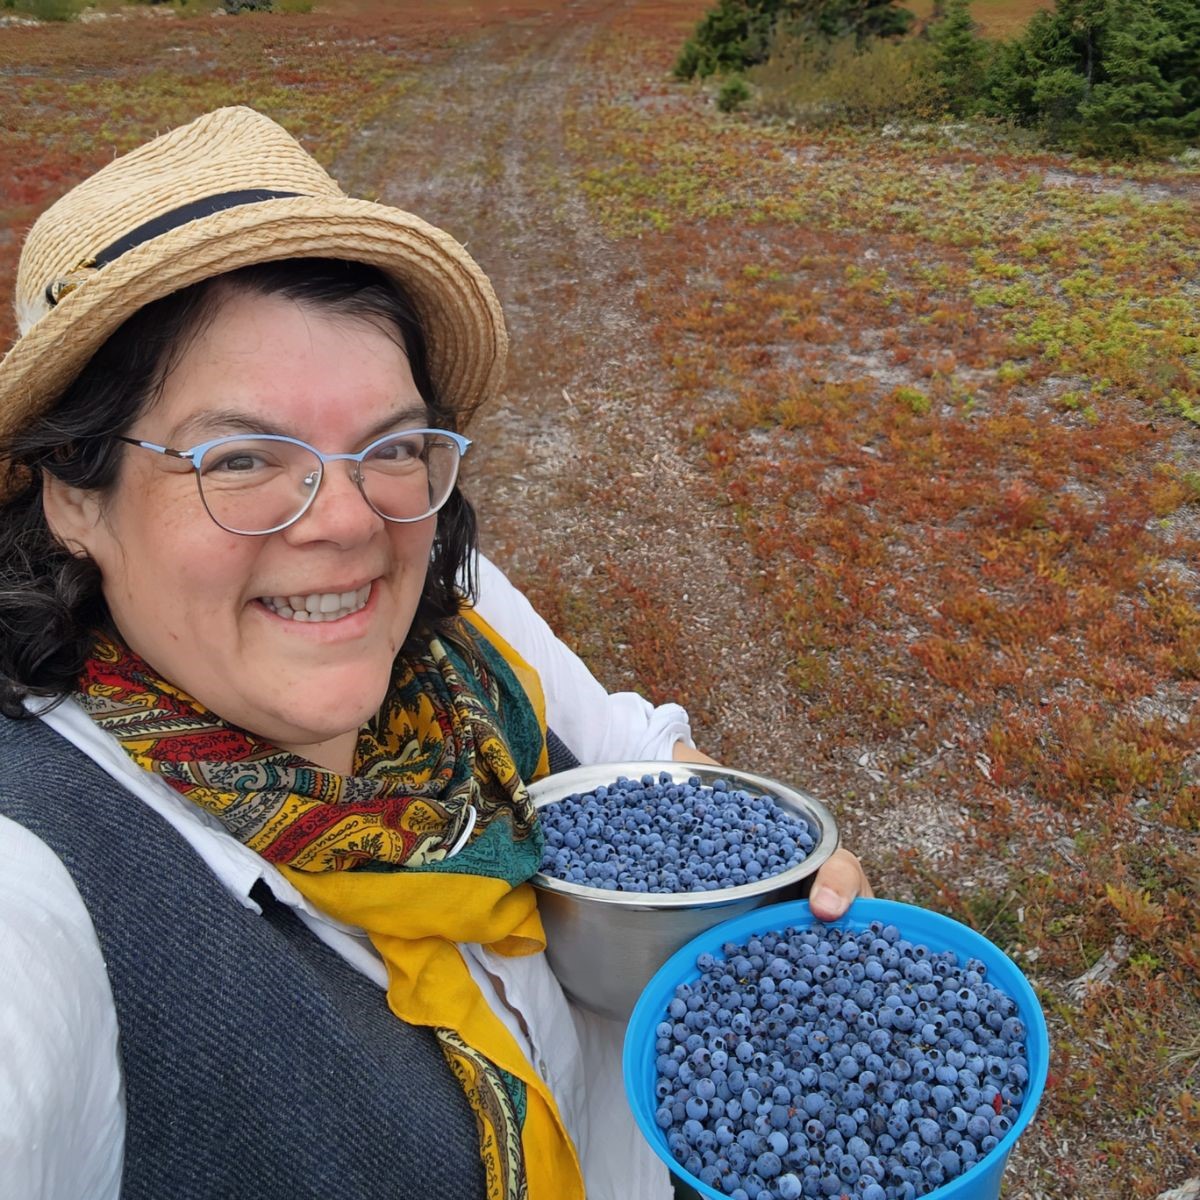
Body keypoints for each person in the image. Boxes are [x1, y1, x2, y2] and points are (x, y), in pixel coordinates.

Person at [0, 107, 871, 1200]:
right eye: (242, 458)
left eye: (392, 447)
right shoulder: (42, 876)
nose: (350, 521)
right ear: (75, 494)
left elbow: (643, 764)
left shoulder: (454, 627)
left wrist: (769, 892)